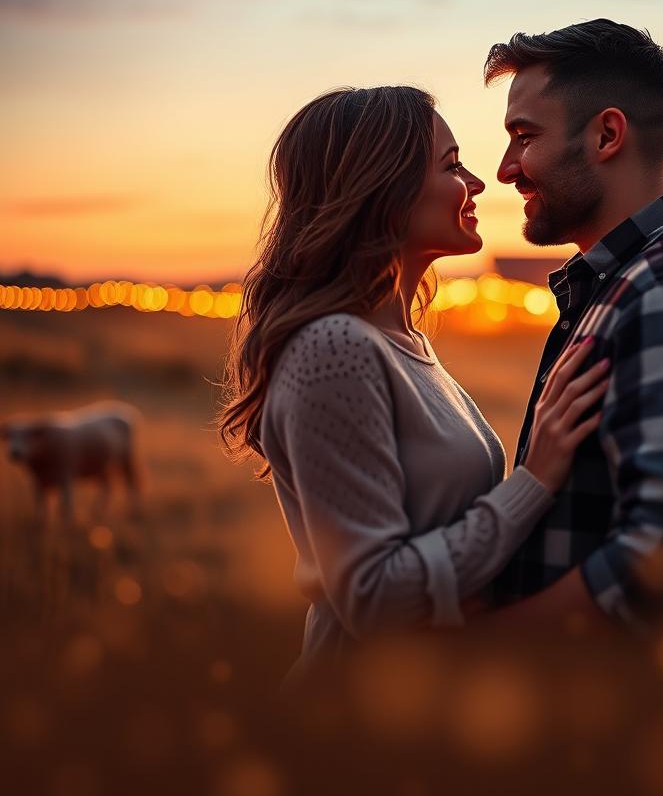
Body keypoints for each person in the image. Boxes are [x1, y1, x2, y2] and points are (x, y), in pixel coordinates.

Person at [218, 86, 609, 677]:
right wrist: (535, 481)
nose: (478, 183)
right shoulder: (335, 349)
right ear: (385, 189)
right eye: (452, 166)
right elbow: (375, 600)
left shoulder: (403, 344)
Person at [480, 19, 663, 637]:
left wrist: (491, 646)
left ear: (607, 135)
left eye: (524, 136)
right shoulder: (626, 285)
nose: (506, 168)